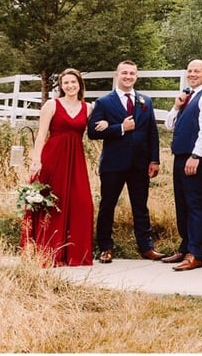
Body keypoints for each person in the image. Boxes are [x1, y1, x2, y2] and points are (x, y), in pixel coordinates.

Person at [88, 60, 164, 263]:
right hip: (113, 163)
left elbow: (152, 132)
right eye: (124, 73)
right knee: (108, 205)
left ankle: (146, 247)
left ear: (136, 76)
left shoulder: (145, 101)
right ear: (117, 75)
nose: (128, 76)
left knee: (141, 206)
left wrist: (154, 160)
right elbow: (92, 132)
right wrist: (120, 128)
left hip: (140, 164)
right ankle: (105, 247)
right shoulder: (104, 102)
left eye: (132, 73)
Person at [22, 68, 94, 267]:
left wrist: (106, 124)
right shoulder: (52, 104)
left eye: (73, 82)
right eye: (66, 83)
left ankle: (75, 253)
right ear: (61, 86)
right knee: (52, 203)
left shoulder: (88, 108)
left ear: (80, 84)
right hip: (53, 158)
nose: (70, 86)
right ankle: (49, 252)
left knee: (81, 203)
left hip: (76, 160)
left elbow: (95, 131)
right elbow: (41, 135)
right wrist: (36, 160)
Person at [162, 59, 202, 271]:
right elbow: (169, 125)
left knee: (195, 204)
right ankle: (185, 246)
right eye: (190, 71)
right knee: (182, 204)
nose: (193, 74)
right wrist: (176, 106)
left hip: (197, 157)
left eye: (197, 71)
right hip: (181, 156)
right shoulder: (187, 96)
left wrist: (196, 155)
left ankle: (196, 253)